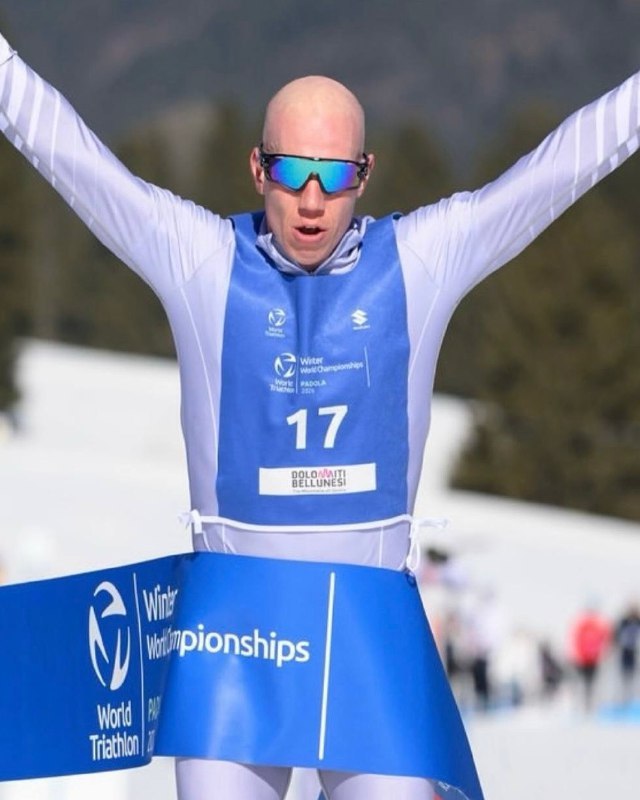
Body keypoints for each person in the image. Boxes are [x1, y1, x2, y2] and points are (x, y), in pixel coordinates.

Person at [1, 27, 640, 800]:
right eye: (290, 172)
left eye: (333, 176)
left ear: (364, 174)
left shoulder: (421, 260)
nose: (310, 201)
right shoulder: (198, 257)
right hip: (234, 638)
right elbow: (71, 155)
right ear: (257, 168)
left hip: (366, 636)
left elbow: (559, 168)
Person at [568, 602, 612, 712]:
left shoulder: (598, 626)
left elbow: (606, 640)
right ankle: (582, 705)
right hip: (584, 659)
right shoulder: (583, 625)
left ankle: (590, 705)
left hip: (593, 659)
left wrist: (602, 653)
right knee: (584, 683)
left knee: (591, 684)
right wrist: (577, 655)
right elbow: (576, 640)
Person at [614, 602, 640, 705]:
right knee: (624, 677)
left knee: (635, 677)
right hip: (625, 653)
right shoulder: (623, 622)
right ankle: (624, 700)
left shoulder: (638, 622)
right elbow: (617, 637)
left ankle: (634, 699)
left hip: (636, 653)